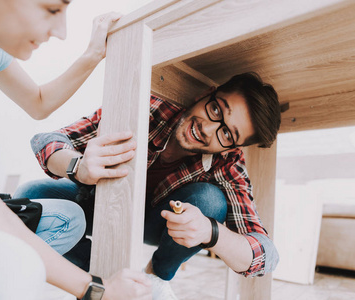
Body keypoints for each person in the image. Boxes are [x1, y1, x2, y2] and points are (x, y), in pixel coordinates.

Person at [0, 0, 151, 299]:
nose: (61, 31)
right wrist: (97, 291)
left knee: (66, 219)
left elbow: (38, 102)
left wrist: (93, 54)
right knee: (13, 262)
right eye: (51, 9)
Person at [15, 72, 281, 299]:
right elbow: (48, 140)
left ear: (233, 146)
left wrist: (211, 232)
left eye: (226, 134)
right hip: (103, 201)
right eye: (216, 110)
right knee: (31, 195)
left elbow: (265, 255)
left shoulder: (228, 163)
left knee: (210, 201)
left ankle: (155, 280)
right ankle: (100, 275)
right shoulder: (151, 109)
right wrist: (78, 166)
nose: (208, 129)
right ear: (207, 94)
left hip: (158, 222)